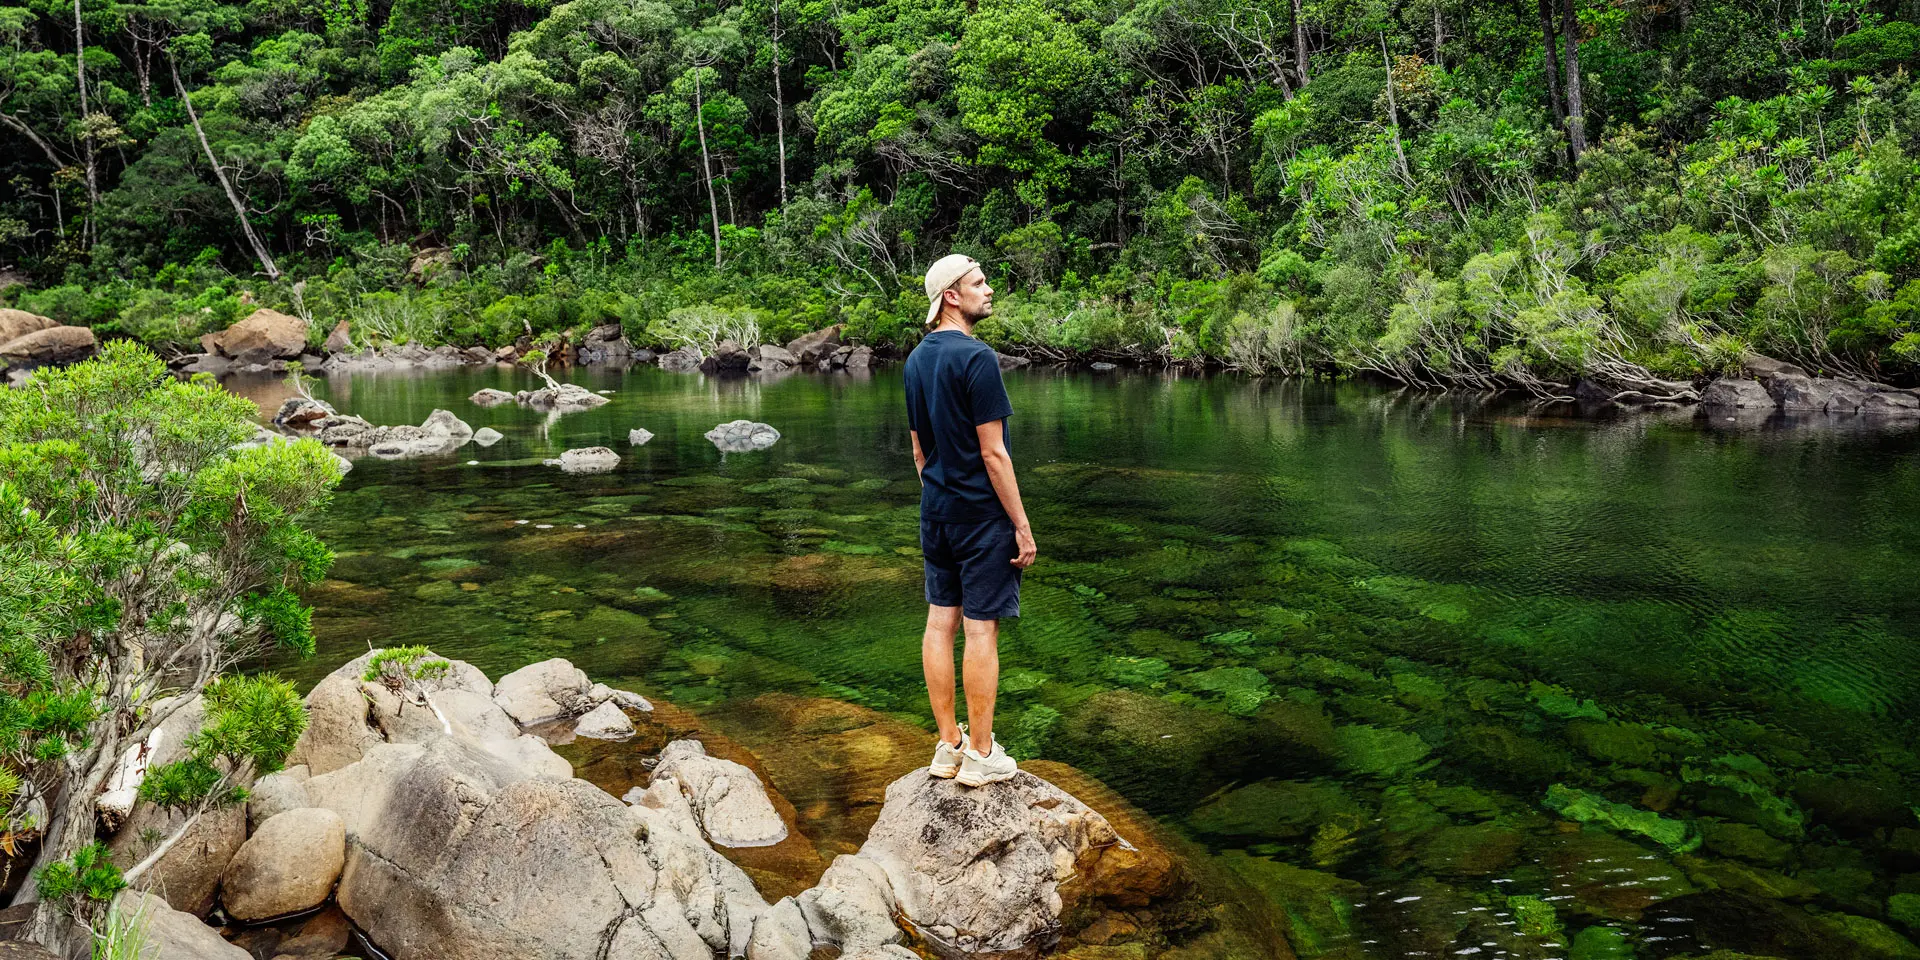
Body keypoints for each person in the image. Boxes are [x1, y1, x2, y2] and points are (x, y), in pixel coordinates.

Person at [905, 254, 1038, 788]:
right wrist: (1022, 526)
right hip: (983, 517)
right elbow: (995, 454)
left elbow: (919, 450)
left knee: (941, 622)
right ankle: (981, 755)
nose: (989, 290)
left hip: (936, 513)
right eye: (978, 283)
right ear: (952, 297)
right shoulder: (978, 358)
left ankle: (948, 747)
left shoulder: (916, 359)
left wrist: (940, 496)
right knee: (981, 631)